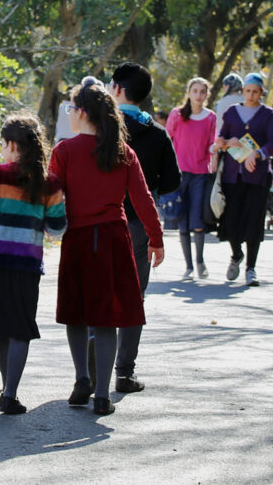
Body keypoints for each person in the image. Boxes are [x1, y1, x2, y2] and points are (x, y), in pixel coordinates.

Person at [49, 79, 164, 416]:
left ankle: (82, 378)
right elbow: (143, 199)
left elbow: (53, 199)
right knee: (107, 319)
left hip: (78, 239)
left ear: (82, 113)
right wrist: (155, 239)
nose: (70, 114)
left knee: (77, 313)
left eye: (72, 108)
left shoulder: (64, 151)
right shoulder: (122, 151)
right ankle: (102, 394)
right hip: (113, 239)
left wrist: (47, 228)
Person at [0, 114, 66, 415]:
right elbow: (57, 227)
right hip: (27, 263)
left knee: (2, 326)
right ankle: (10, 393)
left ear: (12, 145)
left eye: (1, 143)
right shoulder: (49, 182)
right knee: (20, 327)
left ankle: (6, 389)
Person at [107, 64, 179, 394]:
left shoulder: (99, 127)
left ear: (118, 89)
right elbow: (173, 181)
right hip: (138, 222)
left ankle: (94, 370)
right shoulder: (157, 133)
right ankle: (124, 372)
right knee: (134, 296)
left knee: (100, 291)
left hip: (99, 220)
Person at [211, 72, 273, 287]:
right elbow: (221, 139)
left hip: (257, 176)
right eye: (248, 90)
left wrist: (257, 154)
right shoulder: (232, 112)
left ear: (261, 93)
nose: (251, 95)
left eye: (255, 91)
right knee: (231, 219)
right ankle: (236, 254)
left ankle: (251, 268)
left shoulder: (268, 114)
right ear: (243, 91)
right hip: (233, 175)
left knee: (254, 220)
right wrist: (225, 143)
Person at [166, 77, 215, 279]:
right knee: (182, 218)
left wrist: (218, 149)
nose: (198, 95)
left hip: (200, 173)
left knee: (197, 217)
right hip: (179, 173)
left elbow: (212, 144)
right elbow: (166, 139)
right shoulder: (177, 115)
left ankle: (200, 261)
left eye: (202, 91)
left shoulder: (211, 117)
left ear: (206, 94)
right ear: (189, 92)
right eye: (195, 91)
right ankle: (188, 267)